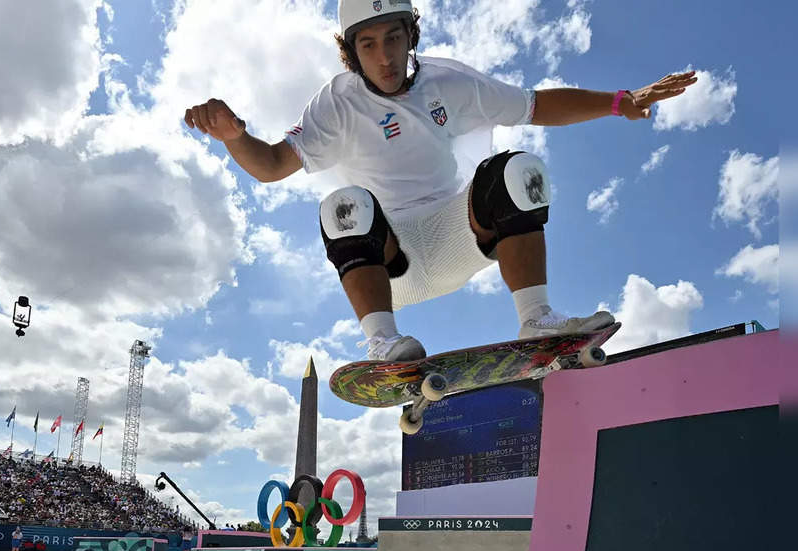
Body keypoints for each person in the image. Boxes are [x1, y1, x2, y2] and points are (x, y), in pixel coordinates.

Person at [184, 0, 696, 362]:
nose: (384, 58)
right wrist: (234, 137)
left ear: (412, 35)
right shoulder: (336, 103)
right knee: (343, 203)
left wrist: (617, 101)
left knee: (519, 169)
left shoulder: (451, 82)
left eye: (393, 39)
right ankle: (383, 340)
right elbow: (273, 164)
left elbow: (536, 105)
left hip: (457, 237)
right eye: (368, 45)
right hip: (389, 263)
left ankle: (536, 317)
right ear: (350, 52)